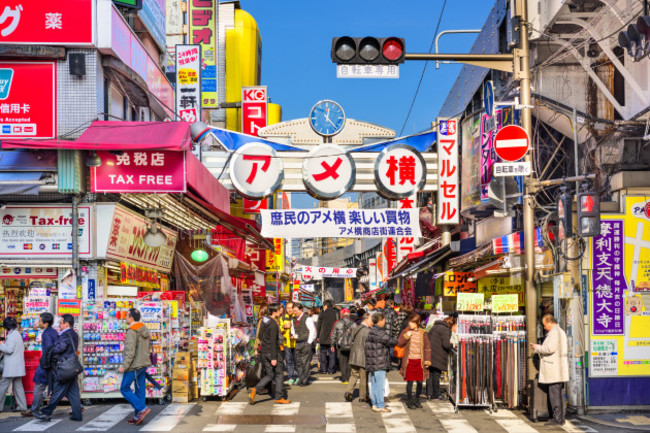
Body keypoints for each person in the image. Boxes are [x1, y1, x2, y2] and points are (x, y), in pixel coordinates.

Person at [34, 314, 83, 422]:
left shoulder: (66, 334)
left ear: (66, 324)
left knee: (58, 390)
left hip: (64, 367)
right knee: (73, 392)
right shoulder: (72, 333)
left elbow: (60, 348)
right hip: (71, 367)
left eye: (61, 322)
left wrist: (52, 349)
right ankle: (77, 414)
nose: (59, 325)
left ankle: (48, 410)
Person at [531, 314, 569, 427]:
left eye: (544, 324)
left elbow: (549, 349)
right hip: (558, 369)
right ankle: (560, 418)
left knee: (554, 395)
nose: (544, 327)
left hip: (554, 370)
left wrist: (537, 348)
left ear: (550, 322)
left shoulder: (554, 333)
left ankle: (557, 419)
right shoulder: (559, 331)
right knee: (559, 395)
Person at [249, 303, 291, 404]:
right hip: (273, 352)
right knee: (279, 374)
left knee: (270, 374)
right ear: (274, 312)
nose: (280, 312)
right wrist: (274, 357)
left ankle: (255, 389)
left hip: (264, 351)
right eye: (278, 310)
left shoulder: (264, 320)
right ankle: (279, 397)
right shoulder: (273, 324)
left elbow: (259, 335)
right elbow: (273, 341)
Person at [118, 308, 152, 425]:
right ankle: (138, 416)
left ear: (131, 318)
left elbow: (130, 351)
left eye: (126, 316)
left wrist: (124, 366)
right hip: (143, 364)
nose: (125, 318)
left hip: (134, 366)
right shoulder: (144, 329)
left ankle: (142, 409)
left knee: (124, 388)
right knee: (140, 390)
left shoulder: (132, 331)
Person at [24, 312, 59, 416]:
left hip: (46, 365)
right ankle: (77, 407)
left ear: (45, 323)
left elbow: (49, 350)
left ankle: (34, 410)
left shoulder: (46, 334)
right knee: (61, 386)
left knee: (39, 386)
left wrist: (45, 364)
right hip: (52, 364)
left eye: (39, 320)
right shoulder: (53, 332)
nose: (37, 322)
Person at [365, 312, 398, 413]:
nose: (385, 322)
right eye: (384, 320)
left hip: (372, 361)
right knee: (379, 385)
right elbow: (392, 341)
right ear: (380, 321)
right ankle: (380, 405)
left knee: (374, 384)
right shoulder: (380, 332)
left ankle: (375, 403)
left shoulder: (371, 331)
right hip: (380, 361)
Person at [397, 314, 431, 409]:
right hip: (409, 361)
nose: (410, 324)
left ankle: (417, 399)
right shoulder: (406, 331)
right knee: (410, 382)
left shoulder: (423, 333)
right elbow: (399, 342)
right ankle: (409, 400)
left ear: (418, 323)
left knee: (420, 382)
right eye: (410, 321)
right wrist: (406, 336)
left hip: (420, 361)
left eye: (412, 322)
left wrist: (427, 360)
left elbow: (427, 347)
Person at [0, 317, 27, 414]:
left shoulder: (12, 336)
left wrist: (1, 344)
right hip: (17, 367)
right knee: (18, 387)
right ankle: (22, 406)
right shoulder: (17, 334)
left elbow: (9, 349)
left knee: (2, 386)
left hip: (11, 368)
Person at [427, 315, 456, 400]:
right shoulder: (445, 329)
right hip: (437, 354)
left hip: (430, 353)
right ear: (452, 324)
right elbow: (446, 344)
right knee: (436, 374)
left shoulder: (435, 326)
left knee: (430, 374)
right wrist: (452, 344)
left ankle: (429, 393)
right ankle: (436, 394)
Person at [346, 313, 371, 403]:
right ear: (366, 319)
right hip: (363, 356)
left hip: (354, 355)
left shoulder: (356, 328)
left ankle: (348, 392)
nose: (372, 322)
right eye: (371, 320)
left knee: (353, 375)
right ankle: (362, 396)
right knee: (363, 377)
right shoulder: (367, 331)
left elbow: (350, 341)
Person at [292, 303, 317, 387]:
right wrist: (293, 335)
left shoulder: (307, 318)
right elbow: (293, 330)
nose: (295, 312)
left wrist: (309, 342)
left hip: (305, 342)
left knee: (305, 362)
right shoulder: (294, 319)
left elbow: (312, 331)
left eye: (296, 310)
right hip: (297, 342)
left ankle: (305, 379)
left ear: (300, 310)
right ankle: (301, 378)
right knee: (298, 362)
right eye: (294, 310)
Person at [330, 309, 356, 384]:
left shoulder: (338, 323)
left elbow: (333, 334)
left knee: (342, 362)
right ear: (349, 315)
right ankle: (348, 377)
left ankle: (344, 378)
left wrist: (332, 344)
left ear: (342, 314)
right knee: (349, 362)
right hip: (351, 346)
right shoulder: (353, 324)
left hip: (340, 345)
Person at [316, 300, 338, 375]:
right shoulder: (335, 313)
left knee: (323, 354)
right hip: (332, 337)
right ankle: (331, 370)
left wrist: (318, 336)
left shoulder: (322, 313)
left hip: (323, 337)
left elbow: (319, 325)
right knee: (332, 354)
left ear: (325, 305)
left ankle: (323, 369)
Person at [280, 302, 297, 386]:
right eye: (288, 308)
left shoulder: (297, 317)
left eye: (291, 307)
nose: (290, 309)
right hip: (287, 343)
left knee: (297, 361)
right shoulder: (283, 318)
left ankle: (298, 376)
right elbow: (278, 329)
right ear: (286, 309)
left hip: (296, 343)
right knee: (289, 361)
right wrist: (284, 327)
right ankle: (290, 377)